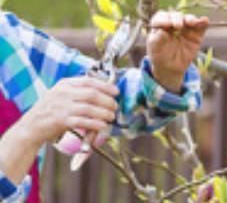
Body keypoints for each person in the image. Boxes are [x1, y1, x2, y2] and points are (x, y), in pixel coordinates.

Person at [0, 10, 209, 202]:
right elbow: (41, 118)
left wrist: (165, 75)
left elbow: (109, 98)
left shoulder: (7, 40)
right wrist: (28, 132)